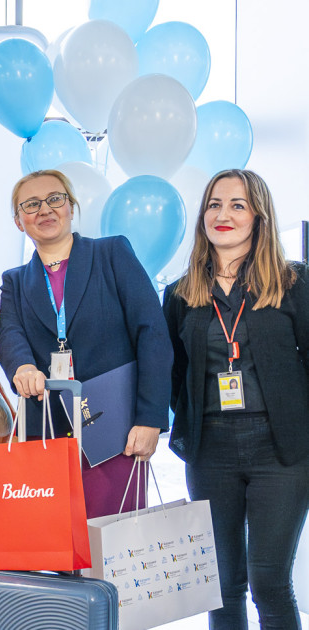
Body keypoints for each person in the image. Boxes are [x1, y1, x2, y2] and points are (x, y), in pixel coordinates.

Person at [163, 169, 309, 628]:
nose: (223, 214)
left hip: (282, 450)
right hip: (210, 452)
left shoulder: (293, 282)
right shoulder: (180, 293)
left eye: (237, 205)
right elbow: (173, 373)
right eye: (214, 204)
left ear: (258, 217)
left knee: (268, 581)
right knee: (222, 586)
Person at [0, 169, 170, 518]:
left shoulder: (112, 253)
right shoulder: (14, 281)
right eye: (31, 204)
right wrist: (23, 366)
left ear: (71, 208)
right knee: (60, 550)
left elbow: (152, 333)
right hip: (50, 435)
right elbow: (9, 334)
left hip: (118, 434)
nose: (45, 210)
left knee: (114, 550)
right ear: (18, 221)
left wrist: (150, 419)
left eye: (55, 199)